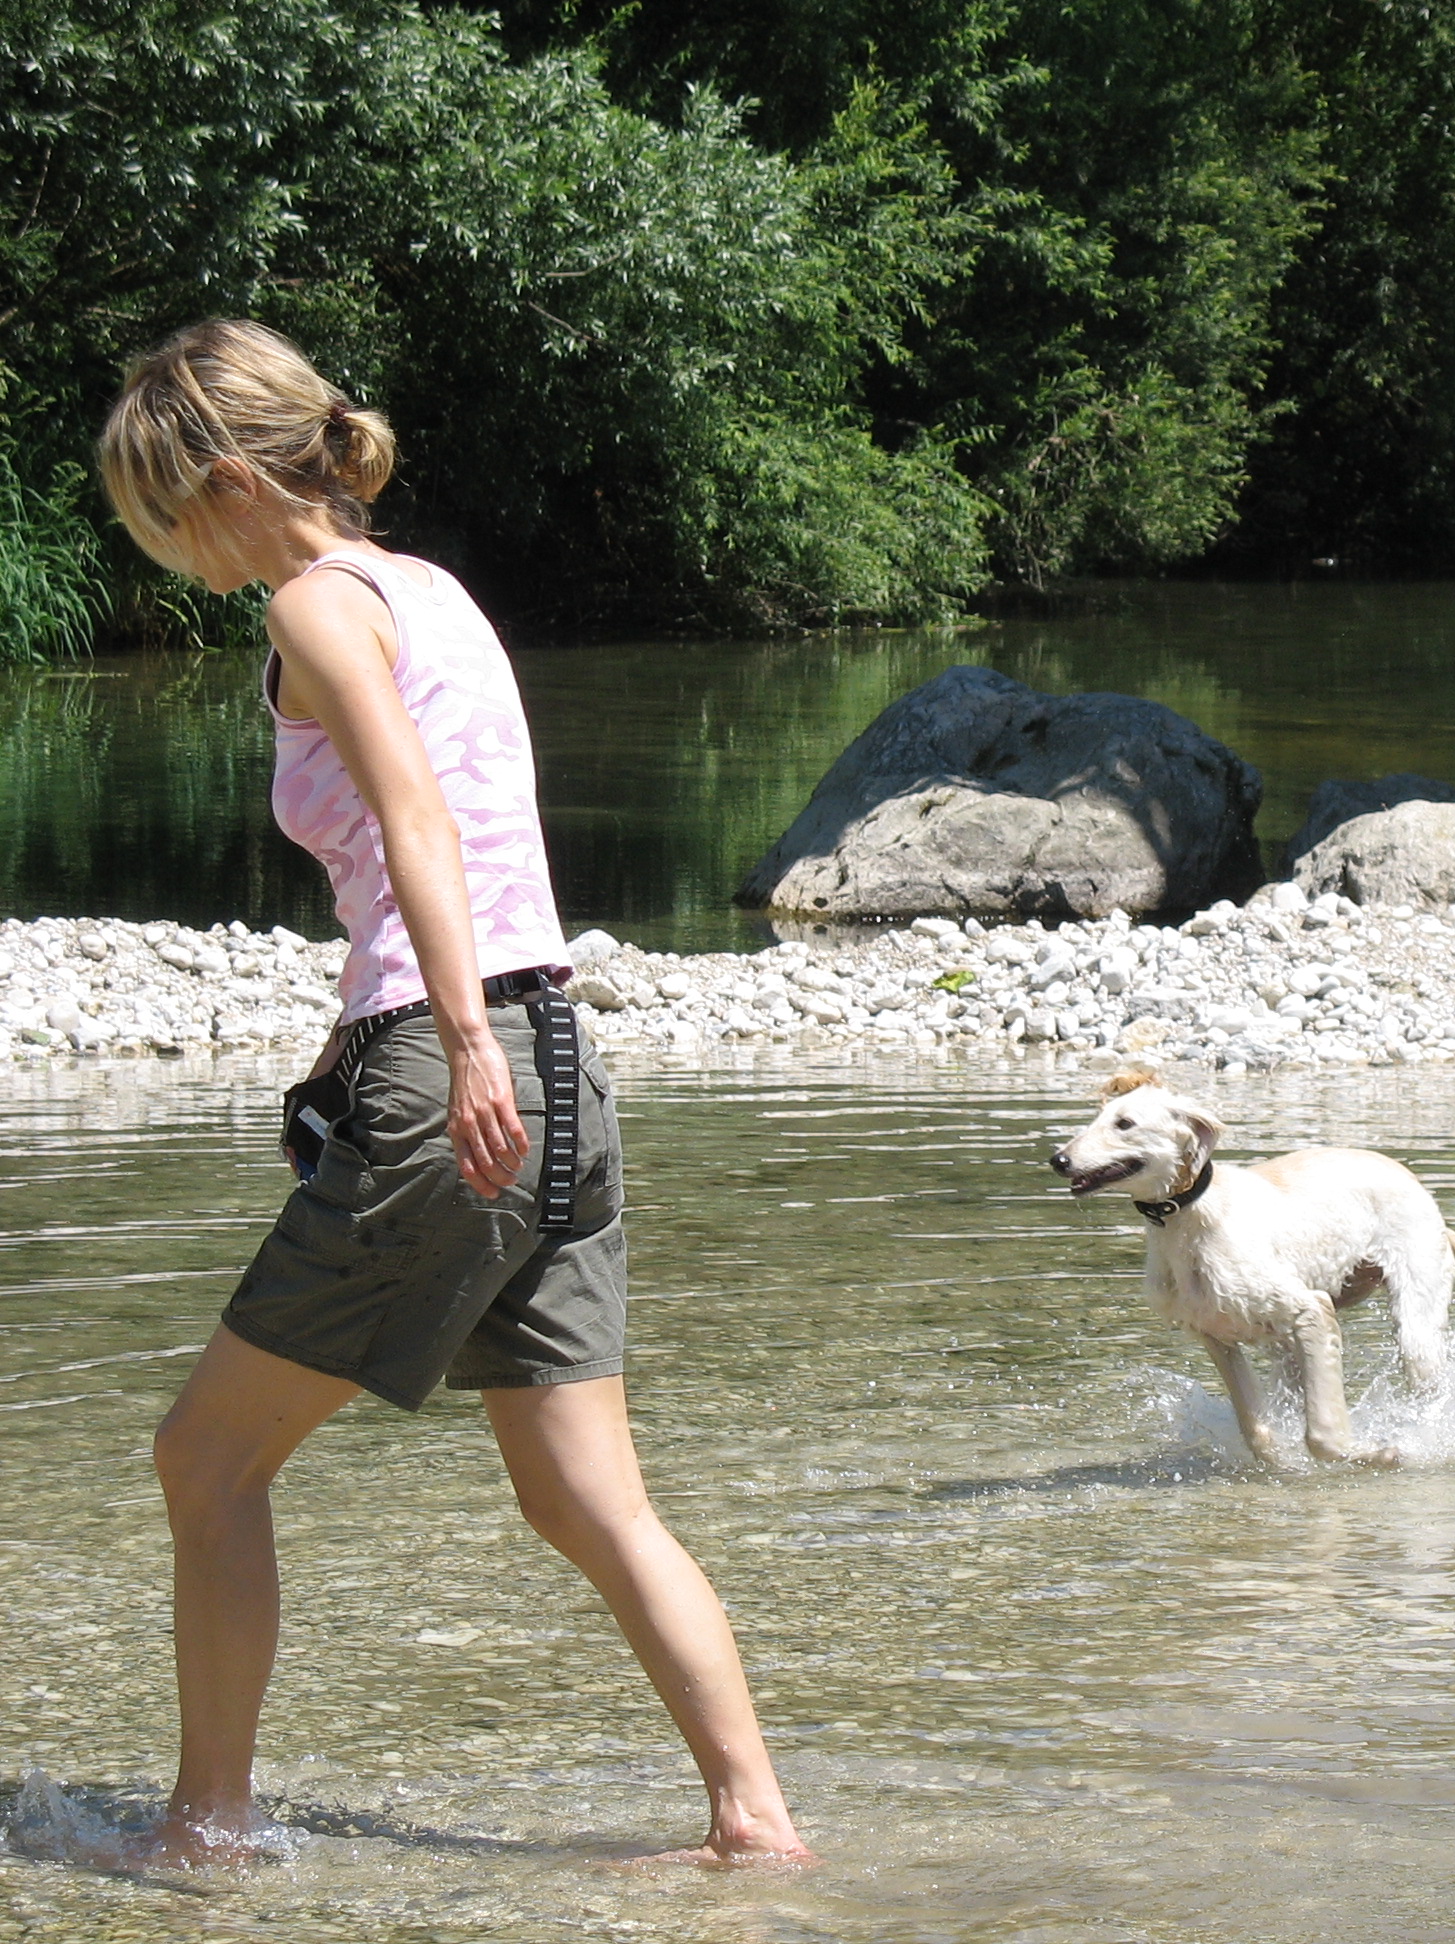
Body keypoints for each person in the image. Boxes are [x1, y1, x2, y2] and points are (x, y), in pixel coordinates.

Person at [96, 319, 810, 1867]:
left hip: (466, 1065)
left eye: (165, 514)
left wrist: (455, 1044)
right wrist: (375, 1037)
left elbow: (417, 819)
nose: (169, 554)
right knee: (588, 1502)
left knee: (203, 1461)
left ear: (229, 482)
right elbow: (465, 842)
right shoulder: (429, 589)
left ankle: (204, 1832)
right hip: (560, 1057)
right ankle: (757, 1826)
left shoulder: (310, 604)